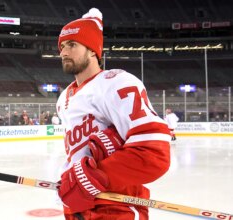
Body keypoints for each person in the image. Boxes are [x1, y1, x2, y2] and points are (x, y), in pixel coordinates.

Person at [56, 8, 171, 220]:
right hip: (77, 206)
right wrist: (68, 179)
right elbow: (76, 155)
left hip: (117, 207)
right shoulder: (64, 98)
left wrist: (94, 177)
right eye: (62, 46)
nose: (63, 52)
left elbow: (153, 153)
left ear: (92, 50)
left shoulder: (116, 82)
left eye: (72, 45)